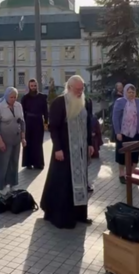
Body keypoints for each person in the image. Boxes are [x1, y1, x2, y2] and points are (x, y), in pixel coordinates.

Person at [40, 75, 94, 229]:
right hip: (64, 150)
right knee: (64, 183)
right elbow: (54, 127)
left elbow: (88, 123)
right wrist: (57, 148)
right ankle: (62, 216)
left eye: (82, 88)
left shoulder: (86, 101)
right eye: (77, 89)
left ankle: (80, 215)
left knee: (81, 183)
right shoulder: (59, 102)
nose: (80, 91)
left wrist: (90, 143)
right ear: (69, 88)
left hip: (81, 151)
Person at [112, 84, 139, 184]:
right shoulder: (120, 102)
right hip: (123, 133)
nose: (131, 94)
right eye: (129, 92)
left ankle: (131, 175)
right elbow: (115, 118)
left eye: (133, 92)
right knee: (122, 155)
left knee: (135, 155)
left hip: (135, 133)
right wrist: (117, 132)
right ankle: (121, 174)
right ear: (125, 92)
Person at [0, 87, 26, 196]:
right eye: (11, 97)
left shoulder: (18, 105)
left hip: (16, 140)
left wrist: (23, 137)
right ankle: (1, 186)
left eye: (15, 97)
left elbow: (22, 122)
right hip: (4, 140)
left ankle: (12, 184)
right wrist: (0, 141)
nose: (13, 99)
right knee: (3, 164)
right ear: (6, 96)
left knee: (14, 162)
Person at [20, 79, 48, 169]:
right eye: (31, 86)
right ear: (29, 86)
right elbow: (22, 112)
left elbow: (45, 111)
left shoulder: (42, 97)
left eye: (34, 85)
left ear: (37, 86)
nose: (33, 87)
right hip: (28, 122)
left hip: (38, 121)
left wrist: (46, 122)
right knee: (28, 142)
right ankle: (28, 163)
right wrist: (22, 124)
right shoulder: (25, 98)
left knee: (38, 142)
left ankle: (38, 163)